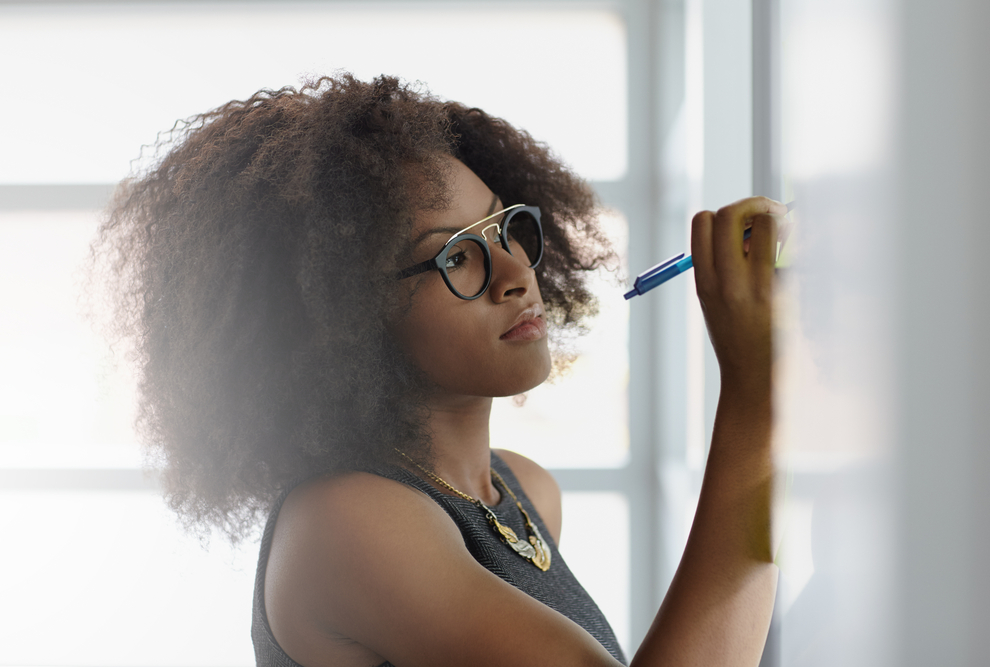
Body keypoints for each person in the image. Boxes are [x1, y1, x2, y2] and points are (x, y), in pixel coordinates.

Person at [95, 73, 786, 666]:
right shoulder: (345, 522)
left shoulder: (525, 494)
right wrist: (754, 393)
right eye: (456, 255)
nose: (516, 272)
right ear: (345, 317)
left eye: (504, 226)